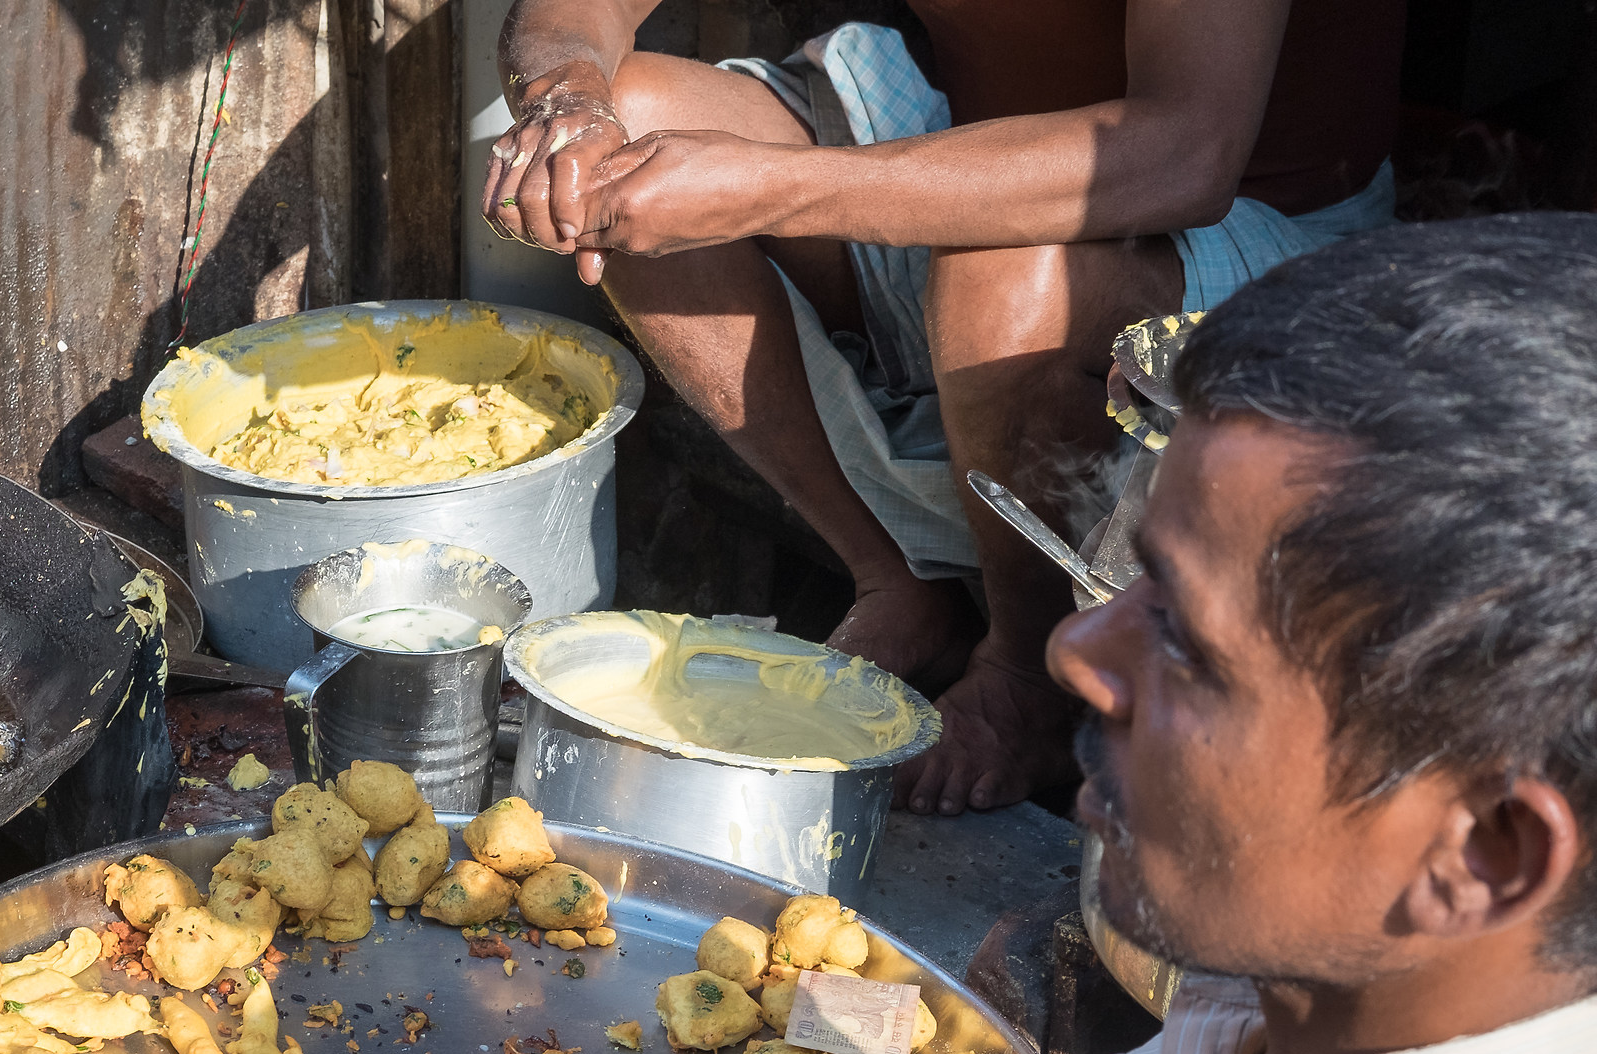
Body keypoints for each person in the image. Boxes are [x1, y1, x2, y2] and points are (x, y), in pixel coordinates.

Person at [227, 214, 1597, 1054]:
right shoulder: (1384, 996)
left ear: (1482, 853)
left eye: (1183, 637)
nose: (1075, 650)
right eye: (1125, 580)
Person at [479, 0, 1401, 815]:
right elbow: (574, 14)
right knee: (621, 142)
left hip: (1255, 234)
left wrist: (775, 188)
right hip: (980, 135)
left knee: (998, 268)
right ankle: (892, 579)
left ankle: (1029, 669)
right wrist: (570, 109)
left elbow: (1188, 151)